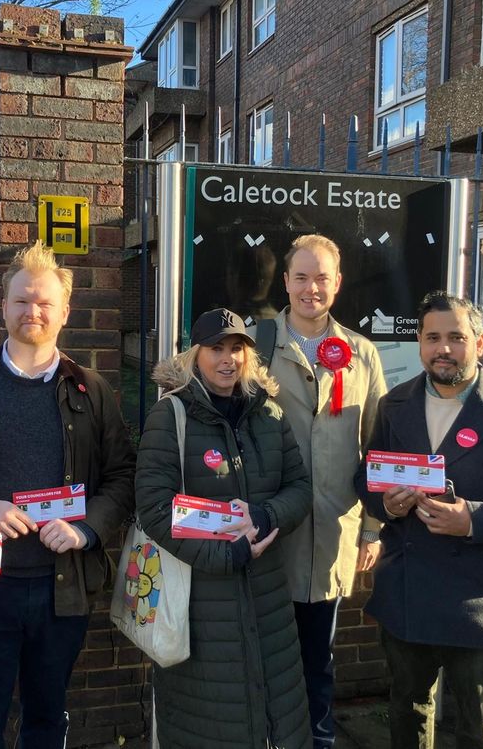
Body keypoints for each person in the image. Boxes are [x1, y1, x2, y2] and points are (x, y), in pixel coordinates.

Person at [0, 241, 136, 749]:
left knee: (47, 718)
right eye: (21, 300)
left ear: (65, 312)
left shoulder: (92, 390)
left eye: (44, 302)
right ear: (3, 306)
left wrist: (87, 530)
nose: (32, 311)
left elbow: (123, 477)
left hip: (61, 590)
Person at [354, 291, 483, 749]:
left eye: (455, 337)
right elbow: (366, 480)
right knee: (407, 718)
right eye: (432, 338)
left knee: (478, 731)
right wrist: (387, 505)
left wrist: (472, 520)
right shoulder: (394, 406)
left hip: (478, 599)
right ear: (420, 345)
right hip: (407, 594)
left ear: (480, 343)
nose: (442, 348)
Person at [136, 307, 313, 749]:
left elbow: (300, 487)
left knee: (278, 719)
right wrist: (227, 555)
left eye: (237, 348)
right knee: (208, 724)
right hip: (199, 602)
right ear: (196, 355)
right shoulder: (170, 415)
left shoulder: (269, 415)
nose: (227, 359)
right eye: (216, 349)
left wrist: (267, 515)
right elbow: (155, 509)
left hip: (268, 597)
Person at [256, 233, 387, 748]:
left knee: (319, 659)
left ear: (338, 283)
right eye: (302, 277)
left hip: (333, 533)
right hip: (268, 533)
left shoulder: (362, 353)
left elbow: (378, 444)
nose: (312, 288)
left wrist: (373, 528)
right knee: (267, 656)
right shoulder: (254, 344)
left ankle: (317, 740)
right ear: (285, 281)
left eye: (323, 278)